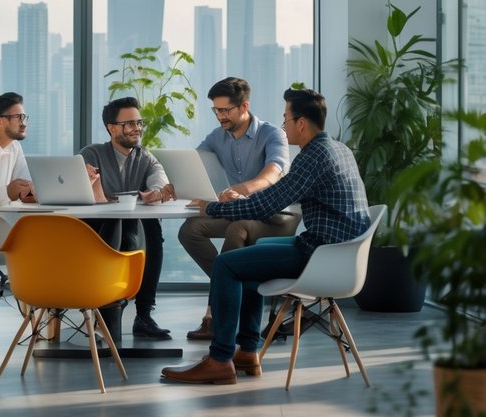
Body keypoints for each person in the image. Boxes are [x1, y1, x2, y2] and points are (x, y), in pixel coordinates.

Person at [162, 88, 370, 385]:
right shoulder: (339, 149)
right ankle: (248, 351)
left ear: (301, 123)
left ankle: (219, 360)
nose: (283, 125)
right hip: (337, 253)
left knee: (225, 264)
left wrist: (213, 208)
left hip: (320, 255)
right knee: (250, 253)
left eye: (286, 118)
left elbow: (266, 204)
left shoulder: (315, 156)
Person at [177, 77, 298, 341]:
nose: (220, 116)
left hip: (275, 216)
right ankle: (231, 282)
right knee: (190, 230)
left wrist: (241, 189)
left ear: (244, 106)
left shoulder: (272, 134)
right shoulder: (217, 137)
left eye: (225, 110)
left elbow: (272, 174)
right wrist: (168, 185)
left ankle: (214, 316)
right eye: (216, 110)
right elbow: (192, 164)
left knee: (237, 230)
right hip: (240, 212)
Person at [80, 97, 176, 341]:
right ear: (112, 128)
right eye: (130, 123)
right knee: (117, 224)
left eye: (139, 122)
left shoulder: (145, 157)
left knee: (152, 226)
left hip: (130, 231)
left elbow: (159, 179)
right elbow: (79, 190)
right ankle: (108, 309)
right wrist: (88, 180)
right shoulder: (92, 154)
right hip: (92, 232)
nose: (137, 128)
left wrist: (157, 192)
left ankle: (143, 315)